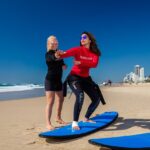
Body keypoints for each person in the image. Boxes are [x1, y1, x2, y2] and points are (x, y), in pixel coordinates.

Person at [55, 31, 106, 130]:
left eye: (84, 37)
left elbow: (94, 64)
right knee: (80, 95)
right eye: (81, 38)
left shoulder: (95, 54)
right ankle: (75, 122)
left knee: (96, 98)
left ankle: (86, 118)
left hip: (86, 79)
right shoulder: (77, 50)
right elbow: (65, 54)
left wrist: (81, 62)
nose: (82, 39)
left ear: (90, 40)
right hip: (74, 78)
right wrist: (58, 54)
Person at [45, 35, 67, 130]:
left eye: (56, 42)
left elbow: (62, 64)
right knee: (50, 102)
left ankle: (58, 117)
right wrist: (57, 55)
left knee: (61, 99)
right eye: (52, 43)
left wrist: (64, 65)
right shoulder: (48, 54)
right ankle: (48, 123)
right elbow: (53, 58)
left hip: (58, 80)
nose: (54, 44)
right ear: (49, 44)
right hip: (50, 80)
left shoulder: (59, 54)